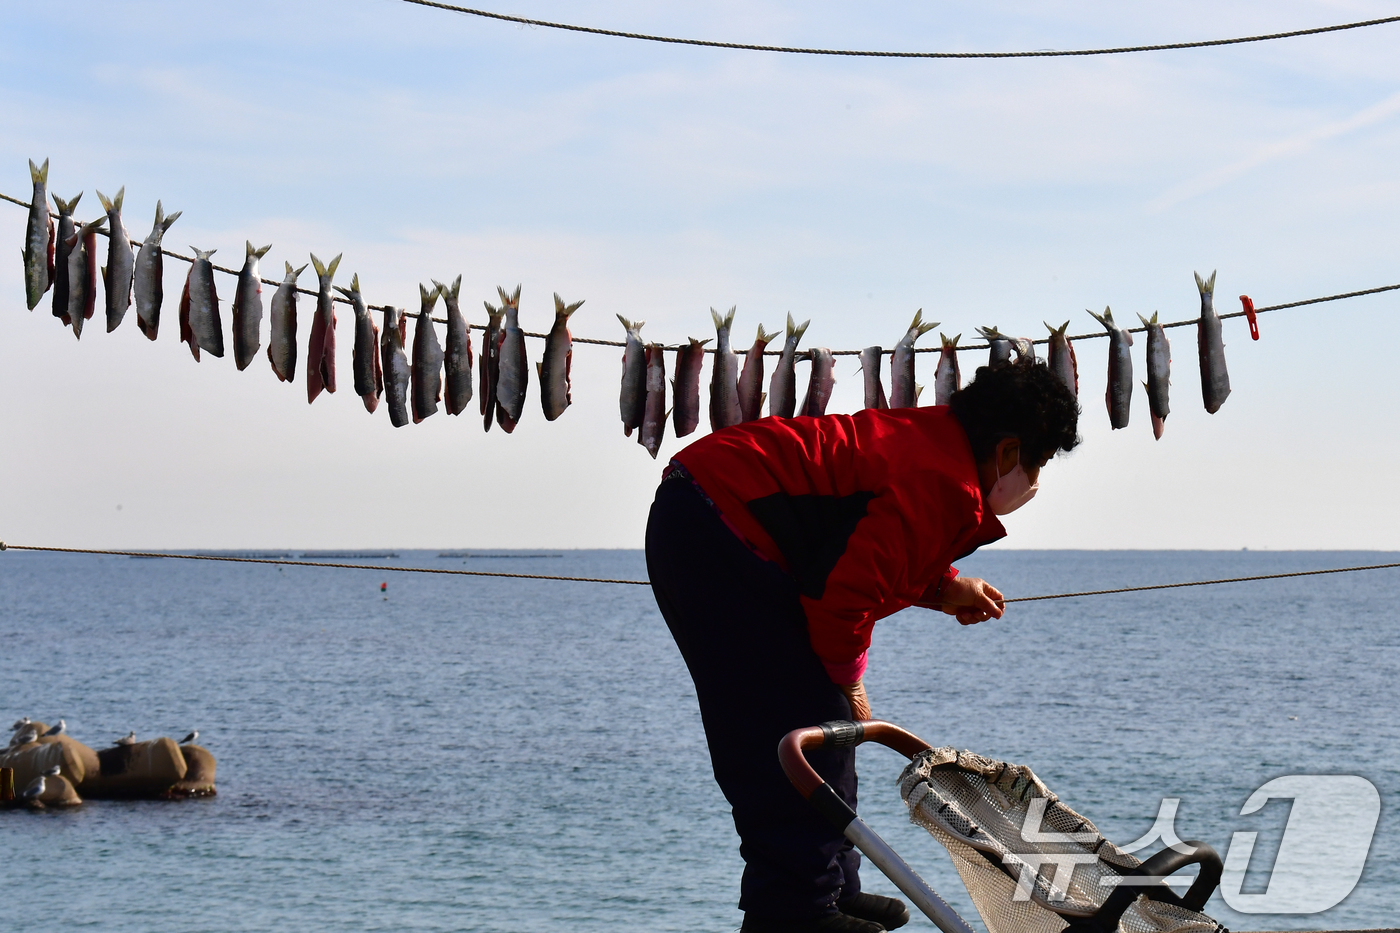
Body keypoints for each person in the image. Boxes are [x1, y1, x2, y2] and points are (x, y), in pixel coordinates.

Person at [645, 357, 1080, 933]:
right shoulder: (939, 481)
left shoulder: (935, 451)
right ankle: (796, 911)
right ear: (1007, 452)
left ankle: (831, 890)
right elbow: (840, 598)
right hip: (715, 522)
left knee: (813, 721)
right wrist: (851, 682)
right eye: (1038, 461)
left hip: (713, 511)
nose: (1036, 480)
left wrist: (946, 588)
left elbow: (867, 542)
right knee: (792, 727)